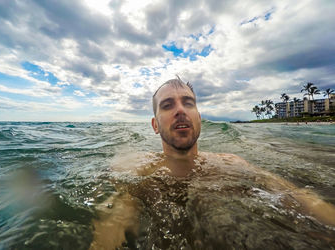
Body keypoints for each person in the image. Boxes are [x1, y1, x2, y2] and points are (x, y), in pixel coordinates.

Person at [90, 78, 335, 249]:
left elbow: (293, 195)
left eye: (188, 103)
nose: (180, 110)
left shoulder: (232, 164)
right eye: (167, 105)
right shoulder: (137, 170)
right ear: (155, 125)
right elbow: (114, 223)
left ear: (199, 118)